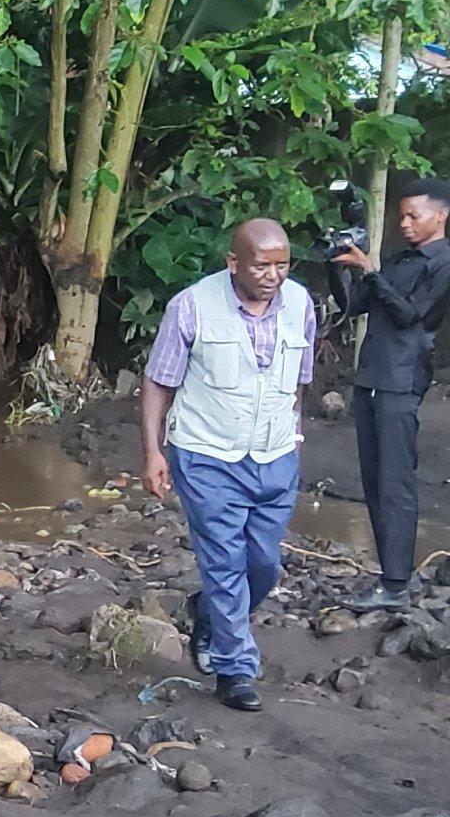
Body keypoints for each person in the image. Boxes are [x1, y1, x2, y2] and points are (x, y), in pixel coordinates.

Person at [140, 220, 313, 713]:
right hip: (206, 455)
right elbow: (158, 383)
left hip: (275, 456)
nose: (273, 276)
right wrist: (153, 453)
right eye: (261, 265)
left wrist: (295, 441)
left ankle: (209, 614)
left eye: (282, 265)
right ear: (233, 262)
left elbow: (299, 385)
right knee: (225, 562)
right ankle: (235, 668)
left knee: (264, 565)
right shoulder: (192, 305)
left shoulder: (301, 303)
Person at [330, 178, 450, 611]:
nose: (405, 223)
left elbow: (409, 314)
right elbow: (353, 304)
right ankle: (390, 578)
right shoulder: (402, 260)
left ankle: (397, 584)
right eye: (401, 215)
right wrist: (338, 263)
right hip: (371, 380)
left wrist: (370, 270)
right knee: (374, 481)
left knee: (395, 483)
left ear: (442, 215)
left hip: (401, 381)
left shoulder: (443, 262)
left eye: (413, 215)